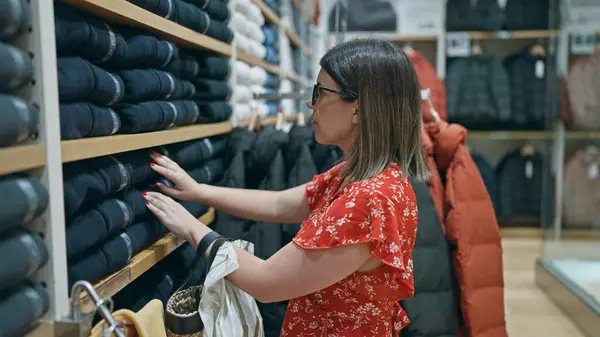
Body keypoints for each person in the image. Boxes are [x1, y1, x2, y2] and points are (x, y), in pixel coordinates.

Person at [144, 38, 430, 336]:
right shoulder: (358, 176)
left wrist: (192, 228)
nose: (310, 103)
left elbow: (266, 282)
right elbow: (281, 204)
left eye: (320, 92)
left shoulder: (368, 199)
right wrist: (200, 191)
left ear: (358, 110)